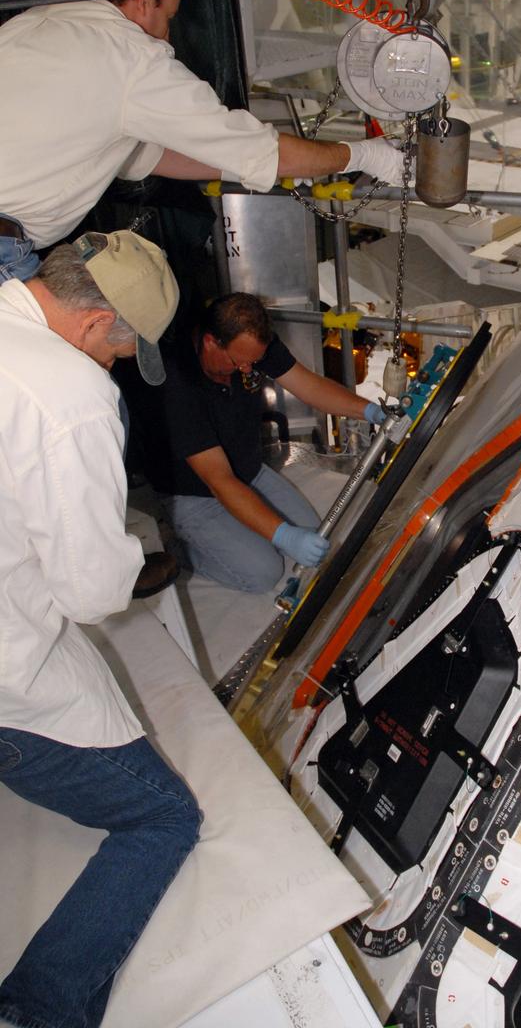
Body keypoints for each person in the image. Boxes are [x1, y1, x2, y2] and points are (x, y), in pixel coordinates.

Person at [0, 230, 202, 1028]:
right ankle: (35, 1010)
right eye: (121, 351)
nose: (115, 364)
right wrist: (132, 554)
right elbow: (88, 595)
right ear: (94, 327)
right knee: (164, 819)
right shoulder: (70, 393)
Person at [0, 0, 403, 282]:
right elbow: (262, 149)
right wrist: (366, 155)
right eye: (169, 16)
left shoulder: (33, 22)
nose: (168, 32)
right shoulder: (132, 58)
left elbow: (147, 155)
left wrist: (247, 167)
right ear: (144, 0)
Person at [141, 292, 387, 593]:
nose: (248, 370)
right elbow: (219, 481)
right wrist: (282, 535)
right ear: (210, 342)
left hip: (250, 472)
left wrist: (371, 412)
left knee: (314, 535)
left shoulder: (251, 347)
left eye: (254, 362)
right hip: (197, 495)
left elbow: (308, 386)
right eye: (240, 362)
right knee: (263, 572)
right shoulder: (177, 385)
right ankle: (179, 550)